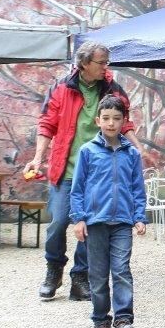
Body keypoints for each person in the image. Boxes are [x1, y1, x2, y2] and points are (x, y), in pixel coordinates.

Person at [25, 41, 135, 302]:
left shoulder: (113, 89)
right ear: (84, 63)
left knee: (91, 226)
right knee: (59, 223)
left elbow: (126, 122)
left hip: (99, 171)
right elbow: (46, 124)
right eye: (101, 62)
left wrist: (136, 151)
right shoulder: (62, 87)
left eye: (107, 62)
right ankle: (54, 269)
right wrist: (38, 158)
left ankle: (80, 277)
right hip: (66, 168)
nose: (106, 67)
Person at [69, 96, 146, 328]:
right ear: (98, 120)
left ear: (124, 121)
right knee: (99, 275)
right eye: (106, 118)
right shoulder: (87, 151)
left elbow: (137, 188)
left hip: (123, 222)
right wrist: (78, 219)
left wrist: (139, 216)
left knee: (122, 270)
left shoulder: (132, 154)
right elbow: (78, 188)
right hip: (95, 223)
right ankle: (101, 320)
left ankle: (124, 321)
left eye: (116, 118)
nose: (111, 123)